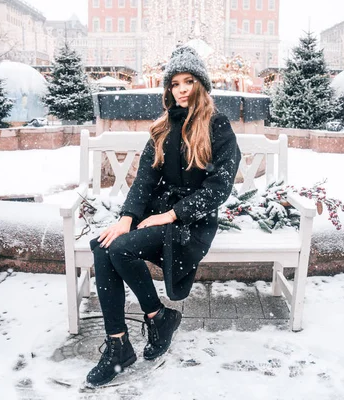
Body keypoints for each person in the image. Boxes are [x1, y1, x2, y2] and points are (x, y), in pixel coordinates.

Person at [86, 46, 242, 387]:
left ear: (201, 84)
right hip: (159, 217)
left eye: (189, 81)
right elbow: (144, 178)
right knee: (103, 245)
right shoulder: (163, 127)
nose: (182, 89)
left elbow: (218, 189)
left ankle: (158, 316)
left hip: (191, 224)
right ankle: (119, 344)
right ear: (168, 89)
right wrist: (128, 217)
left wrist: (172, 214)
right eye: (174, 83)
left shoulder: (218, 127)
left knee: (119, 250)